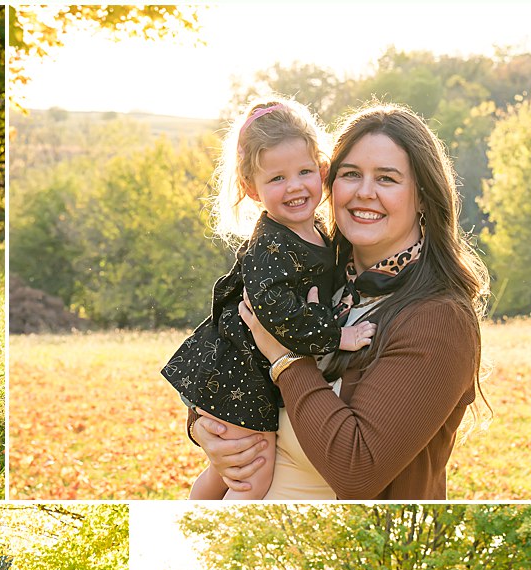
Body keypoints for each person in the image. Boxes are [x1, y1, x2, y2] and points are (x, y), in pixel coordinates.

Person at [193, 104, 488, 499]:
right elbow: (233, 349)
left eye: (387, 178)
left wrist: (287, 358)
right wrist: (204, 428)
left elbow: (356, 470)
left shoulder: (436, 320)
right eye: (350, 175)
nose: (365, 192)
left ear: (423, 197)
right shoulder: (312, 276)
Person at [162, 97, 375, 501]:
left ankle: (199, 502)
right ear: (251, 190)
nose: (294, 186)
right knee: (250, 474)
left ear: (322, 171)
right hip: (241, 372)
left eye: (304, 172)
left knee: (227, 471)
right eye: (276, 179)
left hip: (254, 374)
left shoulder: (316, 231)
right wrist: (337, 336)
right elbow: (274, 314)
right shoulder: (271, 248)